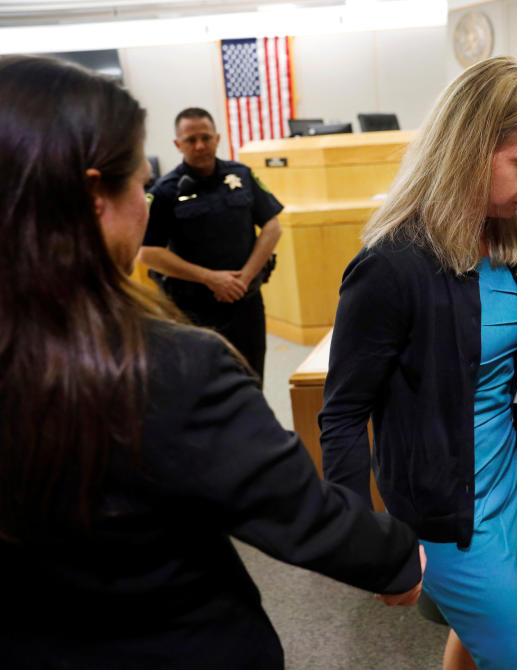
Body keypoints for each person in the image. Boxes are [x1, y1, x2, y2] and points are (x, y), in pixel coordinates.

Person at [0, 55, 424, 670]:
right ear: (97, 197)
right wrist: (398, 559)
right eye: (137, 184)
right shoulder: (166, 369)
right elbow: (295, 510)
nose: (147, 200)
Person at [319, 56, 517, 670]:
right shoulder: (391, 266)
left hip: (505, 484)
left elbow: (493, 353)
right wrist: (362, 545)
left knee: (473, 635)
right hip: (449, 514)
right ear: (470, 150)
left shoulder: (504, 239)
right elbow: (343, 415)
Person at [138, 107, 280, 386]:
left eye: (205, 137)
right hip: (192, 308)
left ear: (217, 138)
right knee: (202, 384)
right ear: (178, 144)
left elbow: (272, 227)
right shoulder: (165, 191)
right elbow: (148, 253)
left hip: (245, 303)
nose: (200, 145)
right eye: (191, 140)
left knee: (252, 377)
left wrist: (245, 277)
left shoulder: (242, 176)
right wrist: (211, 278)